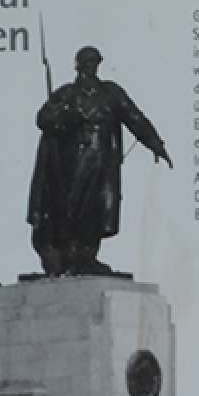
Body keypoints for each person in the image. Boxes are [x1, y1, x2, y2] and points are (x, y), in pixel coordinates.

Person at [27, 46, 170, 275]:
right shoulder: (67, 94)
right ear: (78, 66)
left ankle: (87, 256)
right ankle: (69, 255)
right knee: (72, 207)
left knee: (99, 208)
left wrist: (155, 144)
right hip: (74, 161)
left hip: (103, 161)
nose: (91, 67)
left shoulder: (111, 93)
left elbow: (134, 118)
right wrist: (68, 116)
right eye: (87, 63)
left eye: (94, 62)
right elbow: (43, 119)